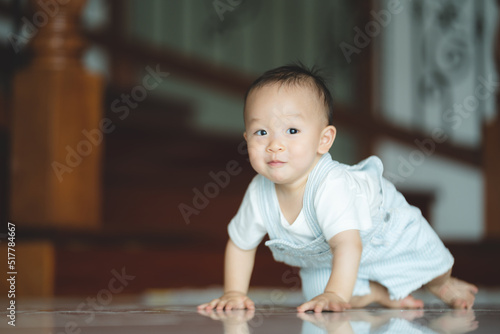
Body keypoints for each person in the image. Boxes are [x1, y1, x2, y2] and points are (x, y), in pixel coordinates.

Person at [198, 63, 478, 313]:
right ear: (246, 137)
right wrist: (234, 292)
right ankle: (379, 294)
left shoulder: (331, 185)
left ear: (324, 140)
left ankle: (443, 284)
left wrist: (335, 293)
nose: (275, 144)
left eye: (292, 131)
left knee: (434, 264)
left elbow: (348, 244)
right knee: (320, 298)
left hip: (383, 229)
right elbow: (240, 244)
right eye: (261, 132)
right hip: (334, 254)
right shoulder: (259, 191)